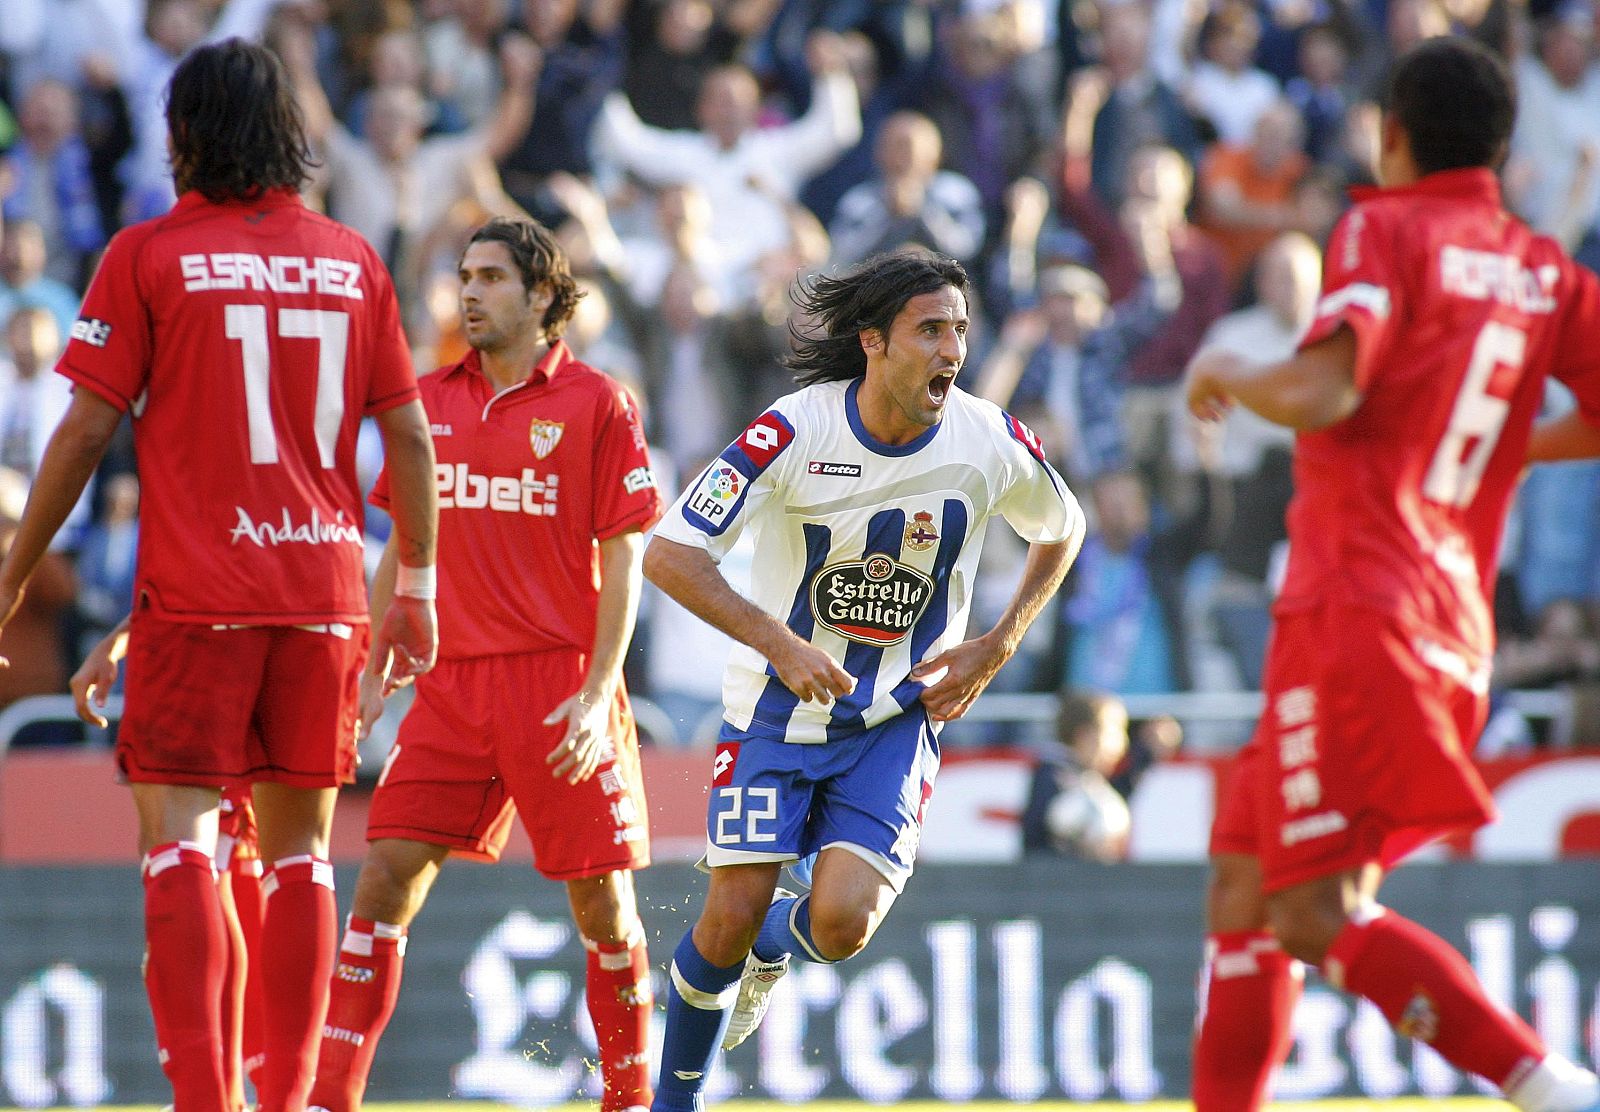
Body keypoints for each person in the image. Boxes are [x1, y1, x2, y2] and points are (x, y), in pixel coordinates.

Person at [0, 39, 439, 1112]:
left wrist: (13, 573)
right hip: (326, 594)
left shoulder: (147, 254)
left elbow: (82, 431)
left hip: (199, 595)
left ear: (185, 131)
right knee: (301, 855)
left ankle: (206, 1099)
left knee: (182, 839)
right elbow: (415, 443)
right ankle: (282, 1102)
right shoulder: (351, 259)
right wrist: (416, 582)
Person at [1184, 36, 1600, 1112]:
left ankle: (1547, 1086)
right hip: (1439, 622)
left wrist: (1227, 364)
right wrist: (1503, 441)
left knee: (1317, 910)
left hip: (1358, 607)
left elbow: (1325, 390)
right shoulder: (1545, 269)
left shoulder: (1382, 223)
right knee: (1243, 880)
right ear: (1503, 148)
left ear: (1391, 134)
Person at [642, 249, 1086, 1112]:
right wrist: (780, 643)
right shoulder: (792, 430)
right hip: (775, 715)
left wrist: (998, 643)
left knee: (841, 925)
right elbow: (670, 554)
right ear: (873, 342)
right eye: (931, 329)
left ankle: (782, 937)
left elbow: (1060, 528)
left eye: (960, 328)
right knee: (724, 918)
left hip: (893, 716)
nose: (952, 348)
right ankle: (674, 1102)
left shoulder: (986, 439)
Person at [307, 216, 664, 1112]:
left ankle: (633, 1098)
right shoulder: (424, 400)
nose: (469, 291)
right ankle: (327, 1099)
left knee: (604, 910)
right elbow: (403, 542)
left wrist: (595, 693)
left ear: (543, 295)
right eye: (464, 274)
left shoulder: (597, 402)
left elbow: (626, 560)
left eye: (492, 277)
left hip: (558, 685)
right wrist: (373, 658)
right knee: (384, 877)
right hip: (453, 687)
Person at [71, 619, 268, 1111]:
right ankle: (234, 1090)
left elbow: (190, 573)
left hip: (201, 664)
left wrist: (12, 583)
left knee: (187, 872)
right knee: (212, 877)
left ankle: (216, 1094)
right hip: (230, 660)